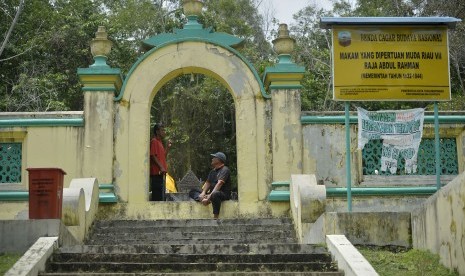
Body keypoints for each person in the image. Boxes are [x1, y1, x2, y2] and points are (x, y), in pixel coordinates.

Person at [198, 152, 231, 219]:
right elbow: (208, 183)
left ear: (219, 160)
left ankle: (215, 216)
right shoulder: (212, 171)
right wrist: (203, 193)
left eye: (214, 157)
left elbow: (219, 184)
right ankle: (204, 199)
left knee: (215, 194)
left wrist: (209, 197)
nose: (212, 159)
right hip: (211, 193)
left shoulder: (225, 169)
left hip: (222, 194)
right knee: (193, 191)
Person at [150, 123, 171, 201]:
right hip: (156, 174)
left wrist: (168, 148)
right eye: (162, 130)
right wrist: (161, 167)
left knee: (162, 196)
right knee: (157, 197)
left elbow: (163, 157)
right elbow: (152, 155)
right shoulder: (154, 141)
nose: (164, 132)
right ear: (157, 132)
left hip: (162, 173)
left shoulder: (160, 142)